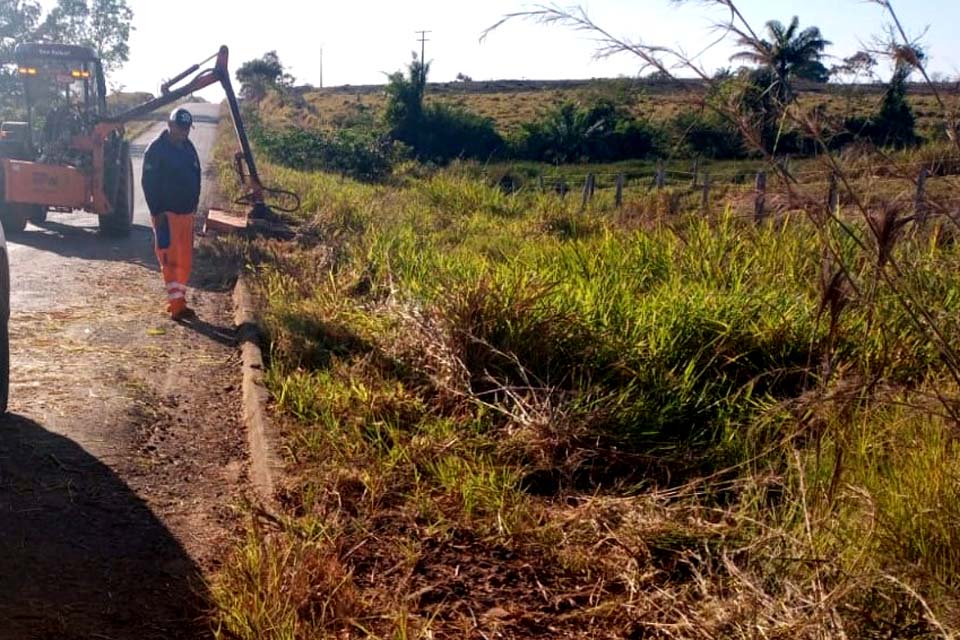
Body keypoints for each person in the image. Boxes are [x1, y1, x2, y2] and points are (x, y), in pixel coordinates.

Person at [142, 107, 201, 320]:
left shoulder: (188, 147)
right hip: (166, 215)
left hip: (186, 214)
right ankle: (176, 306)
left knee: (185, 261)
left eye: (187, 129)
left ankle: (179, 301)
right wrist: (156, 212)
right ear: (170, 125)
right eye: (180, 128)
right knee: (170, 260)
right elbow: (148, 183)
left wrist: (194, 205)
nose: (184, 132)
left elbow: (196, 175)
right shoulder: (156, 150)